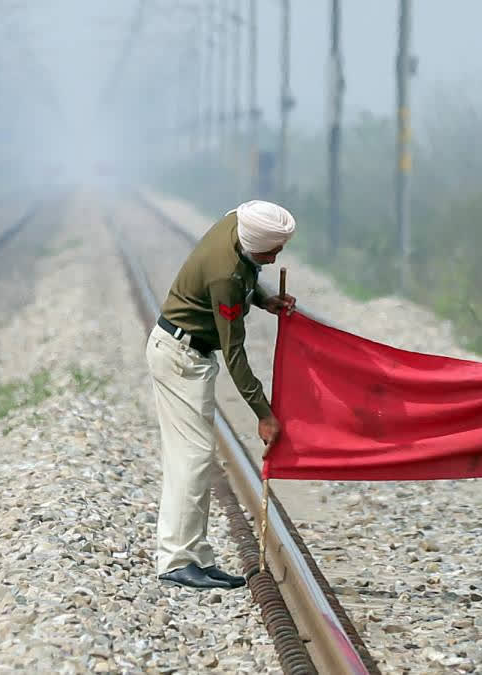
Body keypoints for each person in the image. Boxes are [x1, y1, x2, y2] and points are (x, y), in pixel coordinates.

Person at [145, 200, 297, 590]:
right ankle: (177, 560)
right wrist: (263, 412)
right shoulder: (224, 274)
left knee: (194, 456)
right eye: (273, 249)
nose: (277, 255)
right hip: (181, 357)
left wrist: (265, 300)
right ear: (253, 239)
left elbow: (249, 271)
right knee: (193, 458)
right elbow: (235, 353)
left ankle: (194, 555)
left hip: (185, 351)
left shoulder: (236, 223)